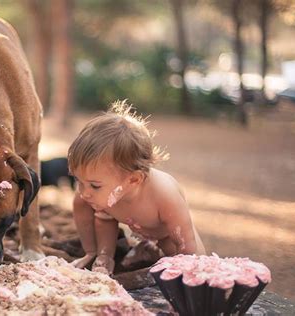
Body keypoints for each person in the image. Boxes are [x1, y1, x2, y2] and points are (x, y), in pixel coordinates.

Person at [68, 100, 206, 275]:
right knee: (79, 202)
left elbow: (186, 245)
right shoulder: (109, 192)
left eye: (94, 186)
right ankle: (91, 252)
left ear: (134, 180)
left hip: (168, 235)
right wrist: (105, 256)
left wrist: (187, 269)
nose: (84, 192)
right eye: (79, 181)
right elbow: (105, 220)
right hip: (139, 228)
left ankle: (154, 252)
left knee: (196, 267)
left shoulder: (164, 195)